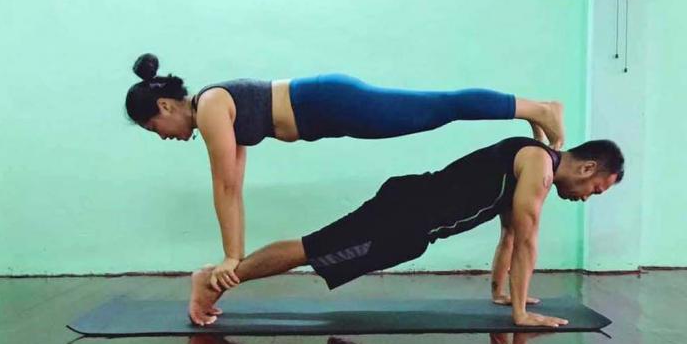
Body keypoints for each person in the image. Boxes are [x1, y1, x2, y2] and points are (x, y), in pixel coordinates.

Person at [124, 54, 566, 292]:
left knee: (438, 107)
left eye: (153, 128)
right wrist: (232, 257)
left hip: (333, 104)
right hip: (332, 111)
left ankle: (538, 108)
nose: (161, 136)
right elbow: (233, 187)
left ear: (164, 106)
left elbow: (222, 185)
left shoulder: (212, 106)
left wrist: (229, 260)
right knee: (436, 109)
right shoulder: (215, 110)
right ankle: (530, 110)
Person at [185, 136, 624, 328]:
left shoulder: (532, 164)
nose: (589, 196)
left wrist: (502, 293)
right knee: (312, 250)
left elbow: (510, 235)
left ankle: (220, 278)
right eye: (596, 189)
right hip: (403, 212)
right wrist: (520, 317)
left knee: (316, 252)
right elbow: (527, 239)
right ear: (586, 167)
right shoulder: (538, 166)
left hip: (411, 228)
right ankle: (214, 280)